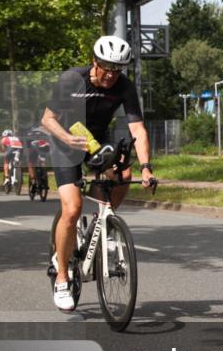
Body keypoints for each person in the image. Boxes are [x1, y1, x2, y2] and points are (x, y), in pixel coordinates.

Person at [40, 35, 156, 311]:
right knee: (71, 209)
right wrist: (67, 139)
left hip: (95, 141)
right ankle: (62, 276)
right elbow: (47, 119)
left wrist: (147, 167)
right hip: (66, 142)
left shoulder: (124, 87)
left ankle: (101, 222)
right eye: (106, 67)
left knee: (123, 175)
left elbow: (137, 130)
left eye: (118, 69)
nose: (111, 74)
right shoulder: (72, 79)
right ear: (94, 61)